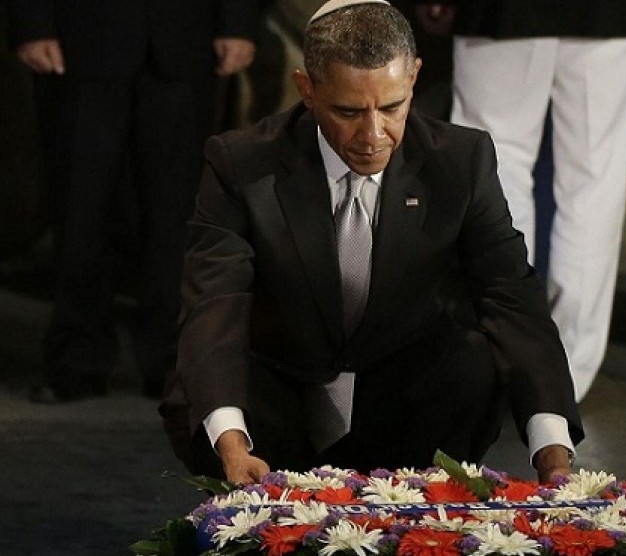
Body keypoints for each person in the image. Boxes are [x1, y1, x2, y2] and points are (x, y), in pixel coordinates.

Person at [160, 0, 583, 485]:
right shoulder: (241, 164)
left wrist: (554, 455)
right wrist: (231, 446)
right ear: (307, 89)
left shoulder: (461, 161)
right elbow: (215, 305)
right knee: (199, 388)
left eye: (391, 107)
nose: (373, 135)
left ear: (413, 79)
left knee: (473, 360)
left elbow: (512, 298)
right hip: (278, 403)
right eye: (348, 111)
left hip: (402, 406)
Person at [413, 0, 626, 401]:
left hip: (502, 13)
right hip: (612, 14)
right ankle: (563, 381)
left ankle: (507, 354)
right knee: (594, 185)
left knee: (495, 169)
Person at [7, 0, 260, 402]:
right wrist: (32, 23)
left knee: (179, 216)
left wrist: (239, 21)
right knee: (78, 211)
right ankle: (77, 362)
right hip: (79, 41)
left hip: (186, 40)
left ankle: (172, 365)